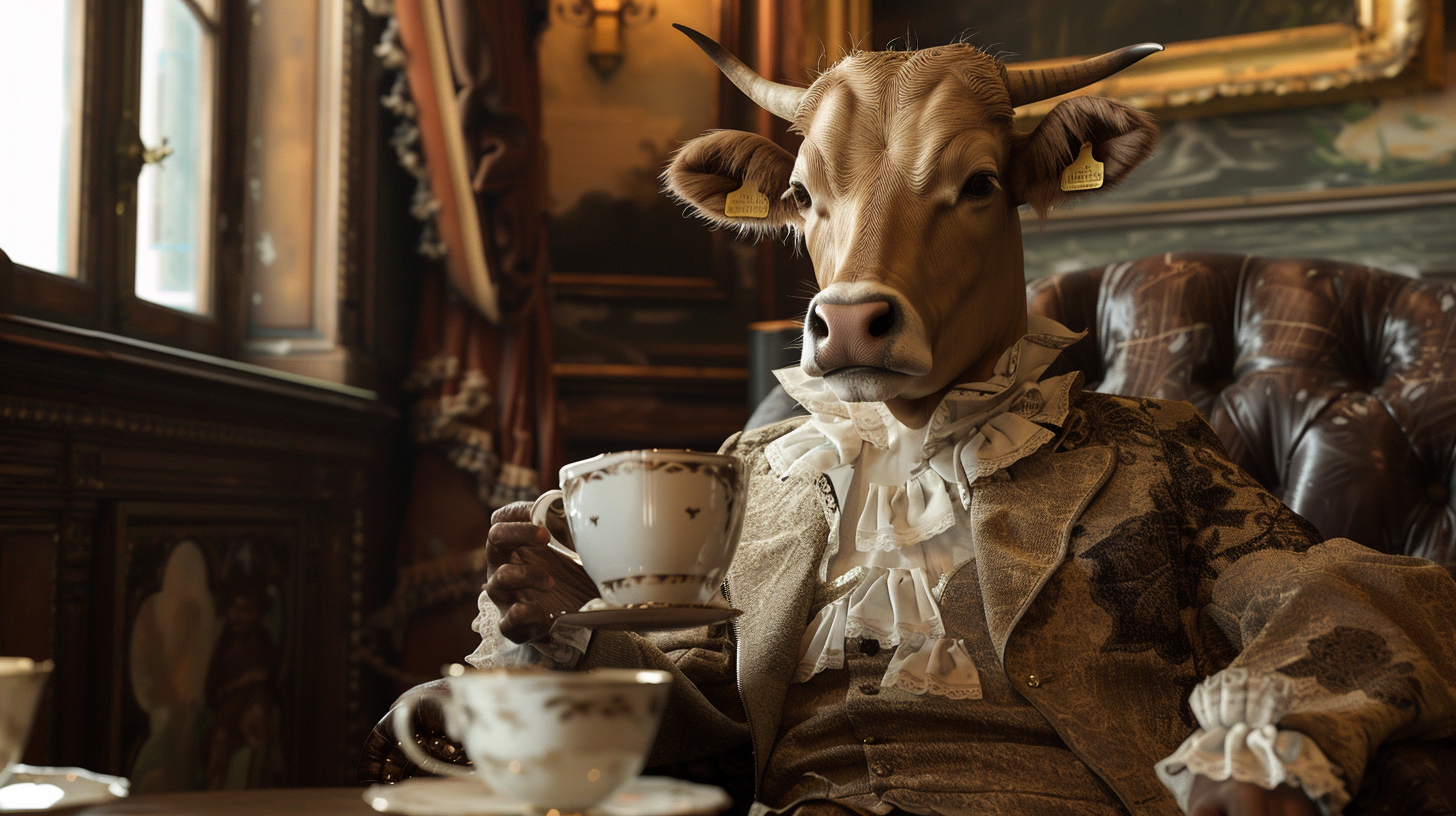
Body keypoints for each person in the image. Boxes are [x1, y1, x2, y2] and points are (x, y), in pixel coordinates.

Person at [472, 31, 1456, 816]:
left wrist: (1263, 740)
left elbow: (1345, 598)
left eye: (970, 184)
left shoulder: (1144, 452)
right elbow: (707, 722)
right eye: (809, 199)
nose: (863, 272)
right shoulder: (755, 472)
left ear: (1038, 181)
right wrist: (581, 628)